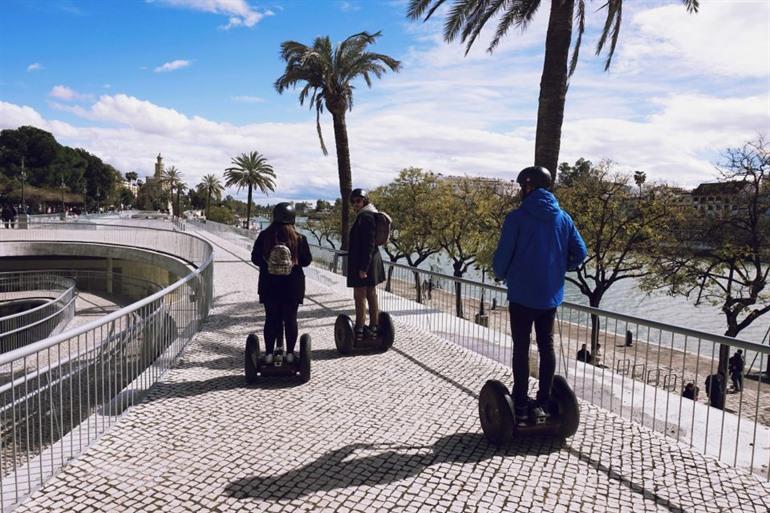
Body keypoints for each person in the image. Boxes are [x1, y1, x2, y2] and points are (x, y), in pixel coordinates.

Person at [493, 166, 587, 424]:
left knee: (521, 348)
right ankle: (544, 401)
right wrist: (560, 267)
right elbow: (580, 252)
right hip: (550, 296)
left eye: (521, 187)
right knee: (547, 346)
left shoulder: (517, 218)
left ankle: (521, 403)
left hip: (522, 295)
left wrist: (500, 273)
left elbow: (502, 258)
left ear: (528, 187)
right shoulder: (563, 218)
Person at [251, 203, 312, 364]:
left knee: (271, 318)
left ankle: (270, 354)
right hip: (292, 286)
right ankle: (291, 354)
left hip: (269, 285)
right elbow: (307, 261)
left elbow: (255, 259)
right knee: (290, 319)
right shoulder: (299, 238)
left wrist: (268, 261)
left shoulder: (265, 236)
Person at [347, 188, 386, 340]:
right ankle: (374, 326)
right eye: (353, 202)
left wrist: (363, 267)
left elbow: (368, 243)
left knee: (360, 295)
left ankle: (360, 328)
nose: (355, 204)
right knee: (370, 293)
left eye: (358, 201)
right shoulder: (370, 214)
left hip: (365, 262)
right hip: (371, 261)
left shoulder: (366, 216)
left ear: (364, 201)